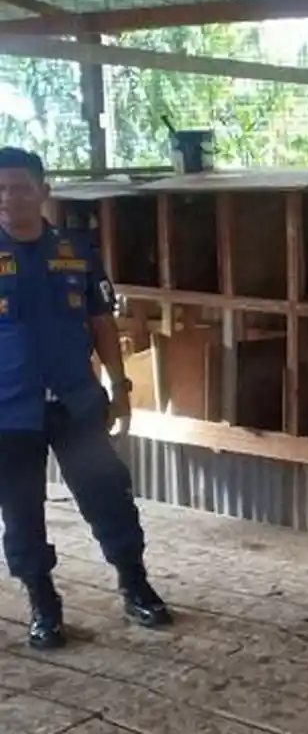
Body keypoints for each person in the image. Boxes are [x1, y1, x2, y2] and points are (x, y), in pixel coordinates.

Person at [0, 146, 172, 650]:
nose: (11, 198)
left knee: (108, 495)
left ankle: (135, 584)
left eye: (21, 187)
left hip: (75, 403)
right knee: (20, 509)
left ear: (43, 192)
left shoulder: (75, 251)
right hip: (9, 411)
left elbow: (101, 321)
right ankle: (43, 603)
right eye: (2, 189)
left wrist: (119, 385)